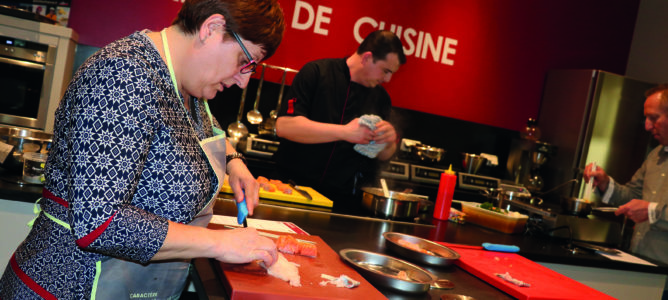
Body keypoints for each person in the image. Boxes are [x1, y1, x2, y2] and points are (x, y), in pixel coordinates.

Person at [0, 0, 285, 298]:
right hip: (69, 287)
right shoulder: (122, 77)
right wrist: (221, 243)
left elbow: (198, 130)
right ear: (211, 28)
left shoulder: (186, 84)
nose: (243, 80)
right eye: (245, 61)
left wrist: (235, 162)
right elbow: (100, 223)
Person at [273, 30, 406, 214]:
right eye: (386, 71)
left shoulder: (381, 98)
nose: (388, 79)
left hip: (343, 203)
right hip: (293, 191)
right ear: (367, 57)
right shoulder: (316, 72)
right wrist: (345, 132)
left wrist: (388, 141)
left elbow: (384, 155)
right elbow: (284, 126)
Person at [584, 84, 668, 297]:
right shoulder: (656, 155)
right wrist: (604, 183)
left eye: (654, 118)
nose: (647, 127)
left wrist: (651, 211)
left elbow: (647, 208)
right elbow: (632, 196)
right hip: (640, 269)